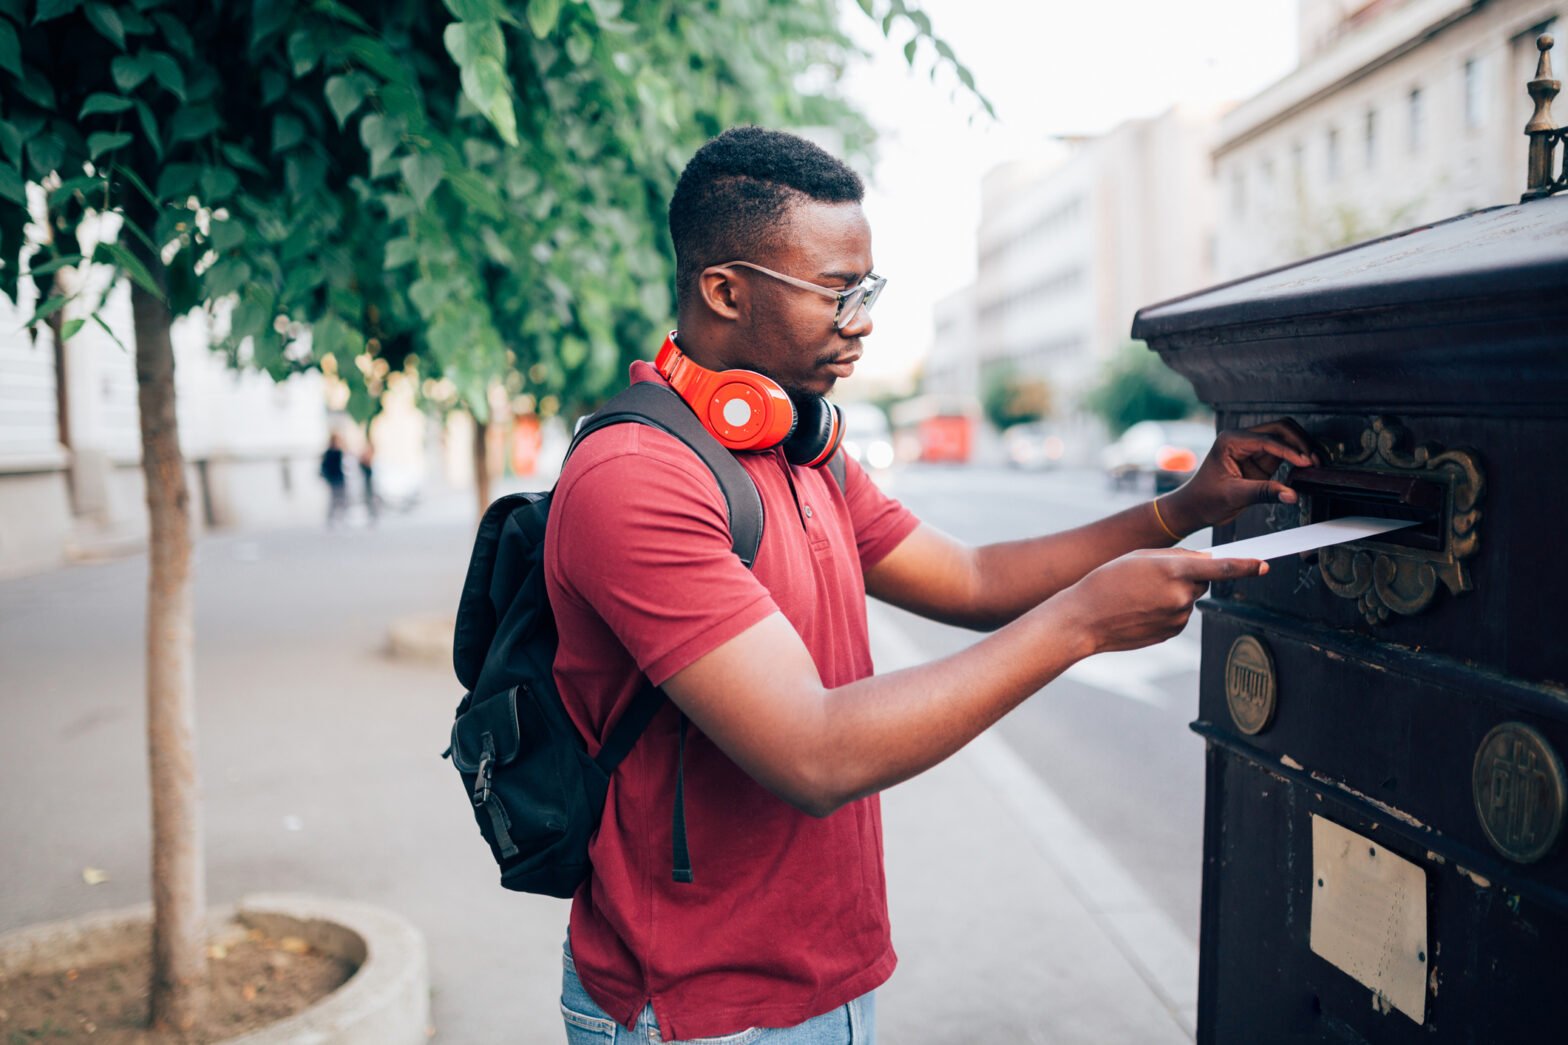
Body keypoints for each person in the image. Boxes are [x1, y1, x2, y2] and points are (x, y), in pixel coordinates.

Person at [544, 127, 1318, 1044]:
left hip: (831, 981)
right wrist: (1082, 624)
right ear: (725, 291)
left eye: (867, 290)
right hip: (697, 1011)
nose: (863, 320)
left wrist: (1182, 508)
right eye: (838, 291)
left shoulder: (801, 448)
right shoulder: (638, 478)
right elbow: (814, 753)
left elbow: (975, 577)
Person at [319, 433, 349, 527]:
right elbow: (325, 467)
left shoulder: (339, 452)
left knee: (343, 499)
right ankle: (331, 519)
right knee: (334, 500)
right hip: (333, 480)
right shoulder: (329, 453)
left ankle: (342, 517)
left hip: (340, 479)